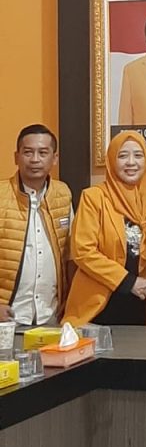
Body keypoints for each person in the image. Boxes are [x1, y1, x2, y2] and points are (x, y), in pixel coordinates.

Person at [64, 131, 146, 326]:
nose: (131, 162)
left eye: (138, 155)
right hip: (102, 307)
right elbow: (83, 251)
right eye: (122, 156)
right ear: (112, 160)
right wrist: (128, 281)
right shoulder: (94, 198)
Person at [0, 124, 72, 325]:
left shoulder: (63, 194)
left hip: (51, 315)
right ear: (16, 157)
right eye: (28, 152)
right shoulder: (2, 195)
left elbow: (70, 254)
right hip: (8, 317)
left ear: (54, 158)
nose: (35, 159)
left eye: (43, 153)